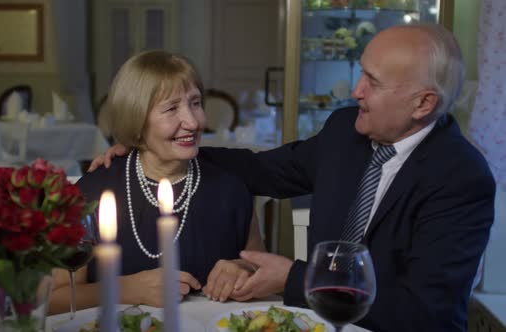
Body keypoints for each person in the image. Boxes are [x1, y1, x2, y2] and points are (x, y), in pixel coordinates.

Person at [88, 24, 496, 331]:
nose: (356, 91)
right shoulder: (345, 131)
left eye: (372, 82)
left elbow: (426, 314)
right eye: (361, 74)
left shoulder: (461, 179)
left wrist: (294, 278)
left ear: (423, 103)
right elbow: (262, 169)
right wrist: (149, 147)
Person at [50, 50, 265, 313]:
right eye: (172, 108)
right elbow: (53, 299)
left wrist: (244, 269)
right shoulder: (92, 192)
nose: (192, 122)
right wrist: (124, 290)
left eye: (195, 103)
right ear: (137, 120)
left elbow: (261, 270)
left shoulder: (231, 188)